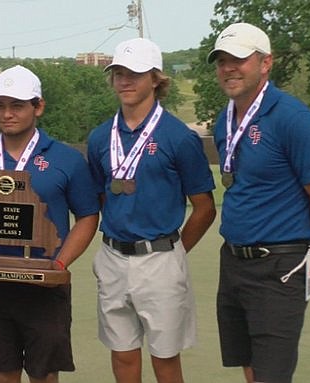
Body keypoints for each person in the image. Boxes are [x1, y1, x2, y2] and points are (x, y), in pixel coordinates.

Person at [207, 22, 310, 383]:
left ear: (266, 63)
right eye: (221, 60)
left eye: (238, 59)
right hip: (234, 261)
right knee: (249, 364)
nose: (228, 68)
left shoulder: (295, 120)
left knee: (272, 374)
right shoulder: (226, 119)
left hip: (280, 266)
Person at [0, 65, 100, 383]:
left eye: (17, 105)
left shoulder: (66, 159)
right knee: (1, 375)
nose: (7, 114)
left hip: (43, 288)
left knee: (44, 375)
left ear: (38, 106)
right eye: (0, 105)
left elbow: (87, 216)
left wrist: (60, 263)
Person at [87, 37, 216, 383]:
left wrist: (173, 252)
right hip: (113, 257)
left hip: (160, 258)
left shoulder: (178, 136)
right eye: (118, 73)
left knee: (165, 360)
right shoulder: (101, 137)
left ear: (156, 79)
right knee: (123, 357)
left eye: (135, 73)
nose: (125, 81)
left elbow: (204, 207)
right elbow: (103, 196)